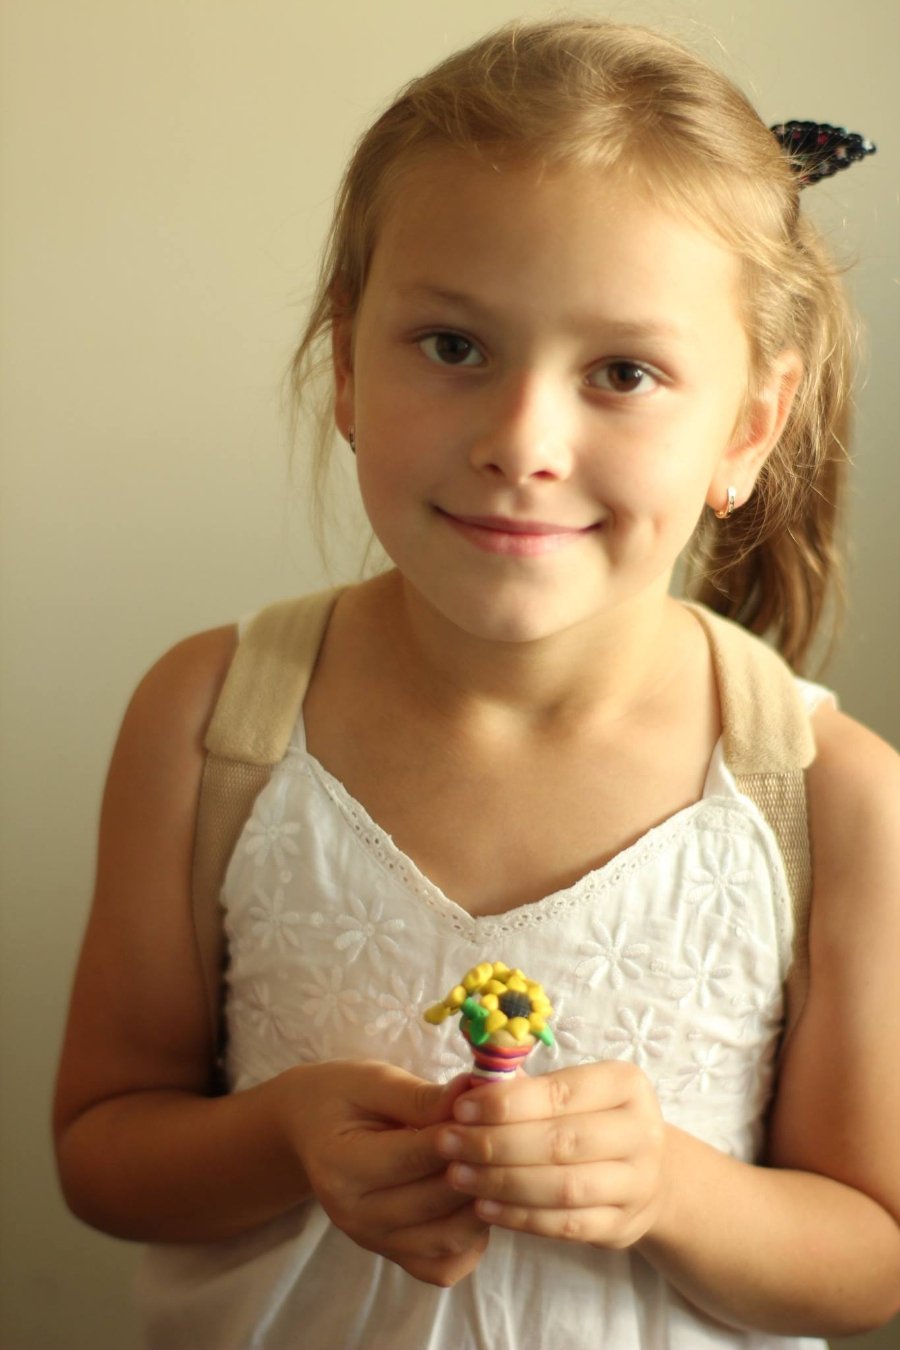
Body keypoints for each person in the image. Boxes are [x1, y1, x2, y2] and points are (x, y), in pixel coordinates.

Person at [53, 18, 899, 1349]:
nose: (521, 441)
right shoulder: (209, 723)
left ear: (748, 427)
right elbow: (103, 1152)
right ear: (347, 364)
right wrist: (284, 1136)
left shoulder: (837, 801)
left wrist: (669, 1189)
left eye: (622, 372)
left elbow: (874, 1256)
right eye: (454, 346)